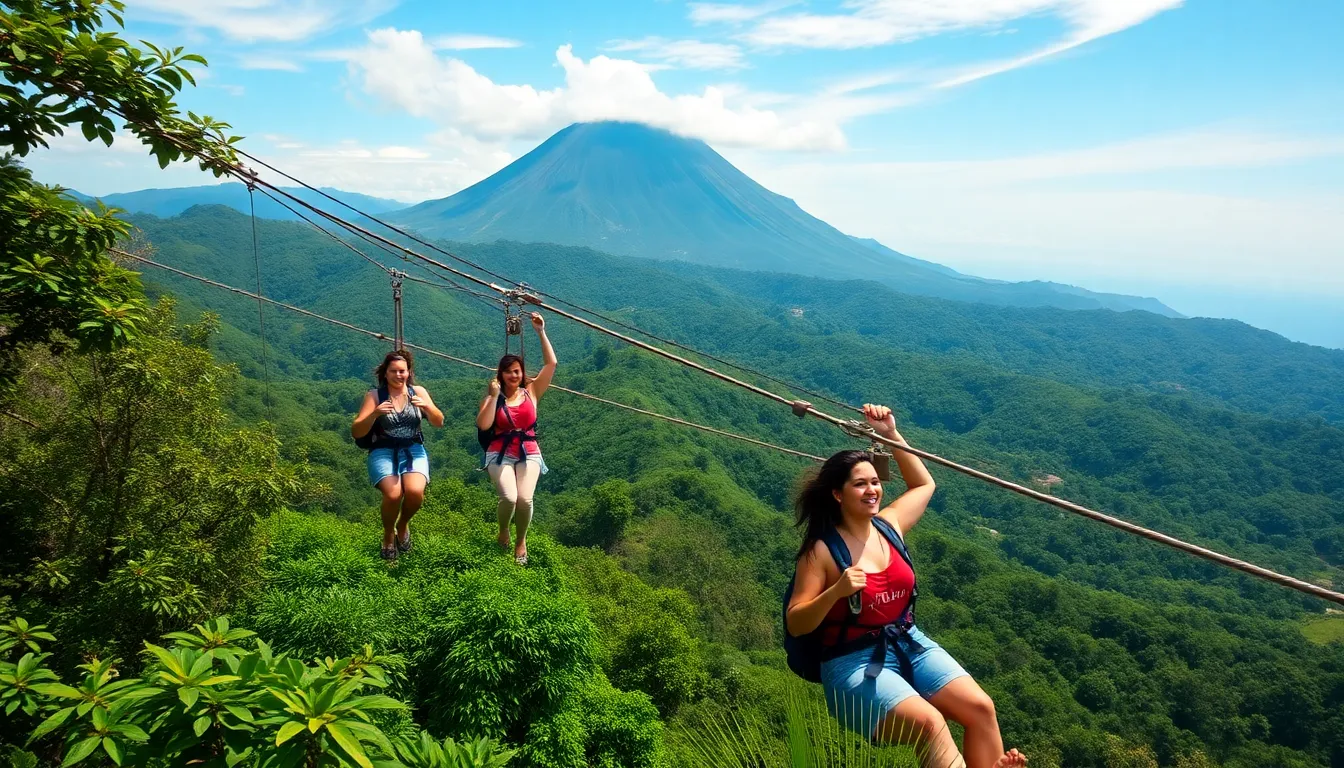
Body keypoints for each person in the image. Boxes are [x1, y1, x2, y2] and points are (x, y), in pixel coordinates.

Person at [786, 404, 1025, 768]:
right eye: (860, 484)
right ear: (837, 494)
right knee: (930, 725)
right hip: (851, 663)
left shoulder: (890, 525)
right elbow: (796, 622)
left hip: (908, 641)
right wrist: (835, 592)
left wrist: (891, 434)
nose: (872, 490)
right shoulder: (822, 551)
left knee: (980, 708)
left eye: (875, 482)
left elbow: (924, 483)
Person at [476, 312, 556, 566]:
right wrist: (492, 396)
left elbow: (551, 364)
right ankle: (503, 530)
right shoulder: (493, 398)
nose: (514, 376)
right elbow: (484, 424)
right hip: (500, 451)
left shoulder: (531, 392)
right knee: (509, 498)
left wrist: (541, 332)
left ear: (522, 374)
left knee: (525, 499)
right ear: (500, 374)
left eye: (517, 371)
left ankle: (521, 540)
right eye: (509, 372)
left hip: (529, 450)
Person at [351, 349, 444, 560]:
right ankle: (387, 535)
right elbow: (357, 431)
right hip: (383, 450)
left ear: (408, 372)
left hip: (412, 448)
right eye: (393, 371)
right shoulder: (375, 396)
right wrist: (375, 414)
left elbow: (439, 422)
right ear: (385, 373)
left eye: (402, 371)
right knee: (393, 494)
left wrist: (428, 407)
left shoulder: (418, 392)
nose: (398, 375)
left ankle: (402, 525)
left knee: (415, 493)